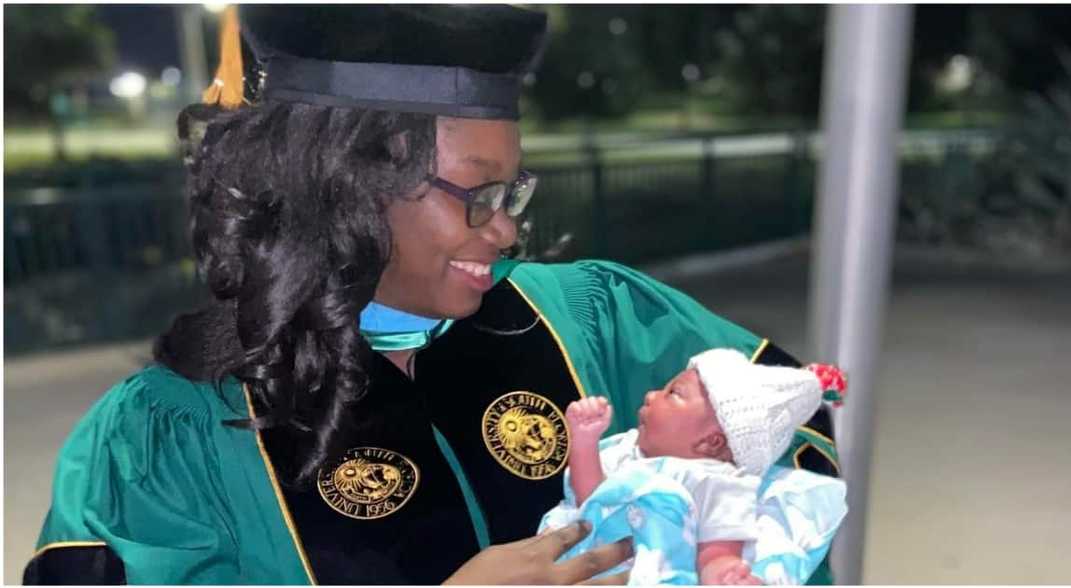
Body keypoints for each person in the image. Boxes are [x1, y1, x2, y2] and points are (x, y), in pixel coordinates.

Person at [23, 5, 842, 585]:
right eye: (476, 195)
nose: (508, 232)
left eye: (513, 192)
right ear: (345, 187)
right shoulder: (172, 437)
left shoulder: (590, 320)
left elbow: (786, 425)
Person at [541, 350, 848, 585]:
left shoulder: (716, 483)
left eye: (672, 393)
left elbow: (717, 553)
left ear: (710, 442)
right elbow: (590, 499)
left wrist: (727, 574)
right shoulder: (625, 452)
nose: (650, 395)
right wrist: (584, 441)